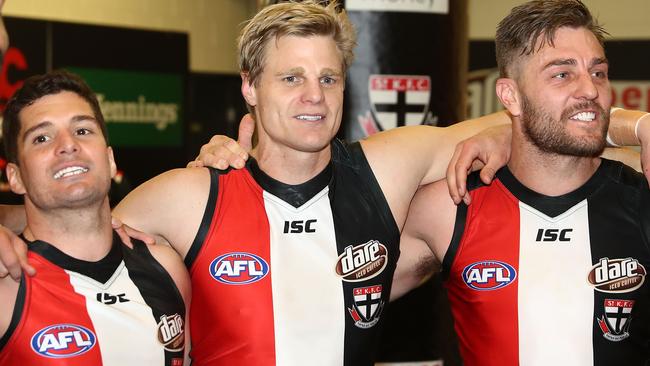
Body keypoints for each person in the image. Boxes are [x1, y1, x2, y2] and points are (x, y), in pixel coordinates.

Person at [0, 1, 648, 365]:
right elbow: (67, 232)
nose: (314, 97)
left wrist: (627, 123)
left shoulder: (386, 171)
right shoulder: (191, 193)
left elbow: (529, 115)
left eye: (329, 78)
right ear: (250, 89)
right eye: (290, 79)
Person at [396, 0, 650, 364]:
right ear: (509, 96)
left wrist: (639, 125)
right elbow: (327, 301)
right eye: (562, 74)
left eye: (598, 72)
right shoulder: (449, 208)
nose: (590, 90)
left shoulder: (640, 198)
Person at [0, 70, 190, 365]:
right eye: (41, 138)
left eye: (82, 130)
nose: (67, 145)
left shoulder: (167, 269)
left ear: (111, 159)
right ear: (16, 177)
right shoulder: (6, 287)